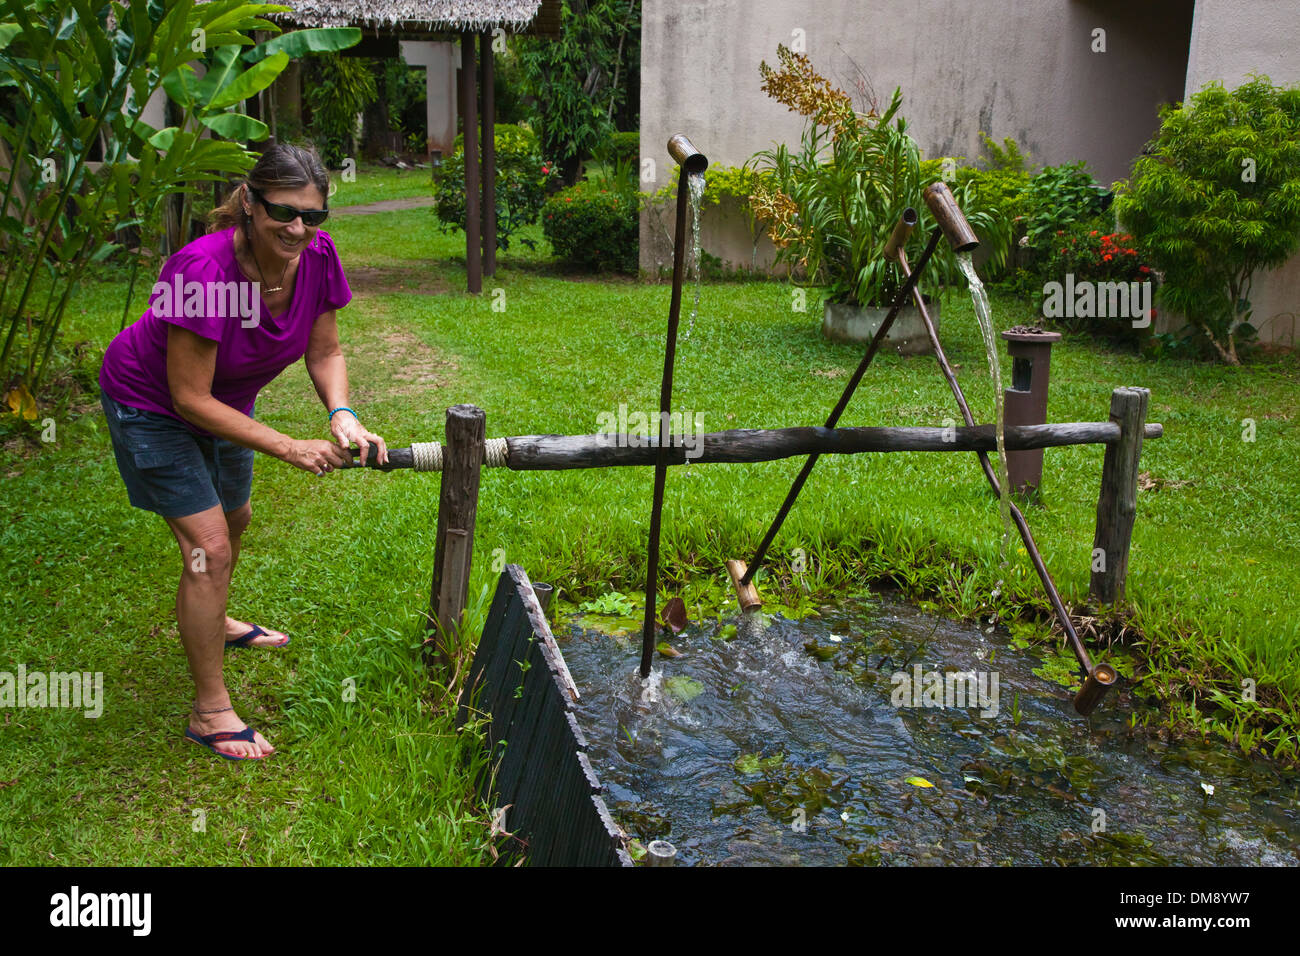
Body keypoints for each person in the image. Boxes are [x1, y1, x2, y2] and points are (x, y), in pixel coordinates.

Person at [98, 142, 387, 760]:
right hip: (153, 403)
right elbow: (187, 398)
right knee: (209, 545)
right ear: (250, 205)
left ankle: (215, 616)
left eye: (313, 215)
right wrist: (289, 445)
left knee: (236, 518)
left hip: (225, 399)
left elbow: (326, 351)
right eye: (285, 212)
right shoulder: (201, 272)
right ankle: (209, 711)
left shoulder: (315, 256)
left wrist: (342, 415)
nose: (300, 228)